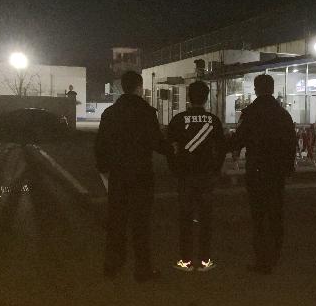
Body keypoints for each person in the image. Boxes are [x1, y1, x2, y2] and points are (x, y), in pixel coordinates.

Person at [94, 71, 164, 282]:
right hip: (142, 174)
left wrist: (103, 167)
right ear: (139, 87)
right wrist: (173, 151)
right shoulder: (147, 112)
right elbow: (157, 142)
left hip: (118, 174)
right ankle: (142, 269)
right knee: (141, 222)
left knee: (116, 220)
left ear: (123, 87)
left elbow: (101, 144)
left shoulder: (110, 113)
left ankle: (113, 264)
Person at [230, 74, 297, 274]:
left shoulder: (250, 113)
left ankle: (261, 258)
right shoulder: (283, 114)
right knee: (275, 213)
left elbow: (238, 139)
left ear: (256, 89)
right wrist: (288, 168)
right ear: (272, 89)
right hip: (276, 170)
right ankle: (275, 255)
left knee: (258, 215)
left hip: (257, 169)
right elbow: (291, 143)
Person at [167, 81, 226, 272]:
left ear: (189, 97)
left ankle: (185, 260)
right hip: (206, 176)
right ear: (206, 98)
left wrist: (175, 168)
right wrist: (216, 169)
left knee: (185, 217)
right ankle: (204, 261)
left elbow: (169, 147)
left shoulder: (178, 119)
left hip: (185, 175)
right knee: (205, 218)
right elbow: (221, 148)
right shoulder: (213, 121)